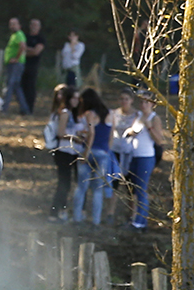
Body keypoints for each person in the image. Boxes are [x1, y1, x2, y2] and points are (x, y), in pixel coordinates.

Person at [123, 90, 164, 232]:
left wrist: (149, 127)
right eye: (141, 102)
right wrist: (130, 132)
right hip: (134, 156)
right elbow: (133, 130)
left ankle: (141, 223)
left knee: (141, 190)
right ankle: (134, 219)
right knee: (133, 190)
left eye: (146, 102)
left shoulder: (154, 118)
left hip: (146, 157)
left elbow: (159, 140)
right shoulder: (138, 115)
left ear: (152, 104)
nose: (143, 105)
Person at [72, 88, 113, 226]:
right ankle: (96, 220)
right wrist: (107, 151)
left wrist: (85, 153)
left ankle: (77, 218)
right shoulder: (109, 114)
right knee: (97, 190)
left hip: (89, 152)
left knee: (81, 187)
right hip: (103, 153)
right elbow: (111, 136)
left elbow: (91, 133)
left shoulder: (90, 114)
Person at [49, 86, 85, 222]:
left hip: (75, 152)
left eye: (77, 98)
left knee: (75, 183)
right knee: (64, 183)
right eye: (74, 97)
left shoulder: (76, 115)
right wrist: (74, 138)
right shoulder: (64, 113)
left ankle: (67, 211)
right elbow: (61, 133)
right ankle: (55, 212)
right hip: (64, 151)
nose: (76, 100)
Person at [104, 87, 138, 226]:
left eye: (127, 99)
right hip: (115, 150)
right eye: (122, 99)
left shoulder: (137, 115)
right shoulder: (113, 114)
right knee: (114, 183)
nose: (124, 101)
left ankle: (132, 215)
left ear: (131, 100)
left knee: (131, 185)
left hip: (131, 152)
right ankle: (110, 213)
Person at [1, 17, 30, 115]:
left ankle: (4, 109)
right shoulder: (14, 35)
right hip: (14, 64)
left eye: (14, 24)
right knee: (17, 87)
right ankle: (25, 109)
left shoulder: (19, 34)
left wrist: (16, 58)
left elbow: (23, 46)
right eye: (11, 24)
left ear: (19, 25)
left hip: (15, 65)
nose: (12, 26)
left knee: (10, 86)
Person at [21, 19, 46, 114]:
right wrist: (29, 50)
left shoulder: (41, 38)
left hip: (33, 67)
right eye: (32, 24)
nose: (34, 27)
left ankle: (30, 109)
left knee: (30, 87)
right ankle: (23, 108)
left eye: (36, 25)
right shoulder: (25, 36)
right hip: (22, 65)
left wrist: (25, 50)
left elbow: (36, 52)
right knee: (22, 86)